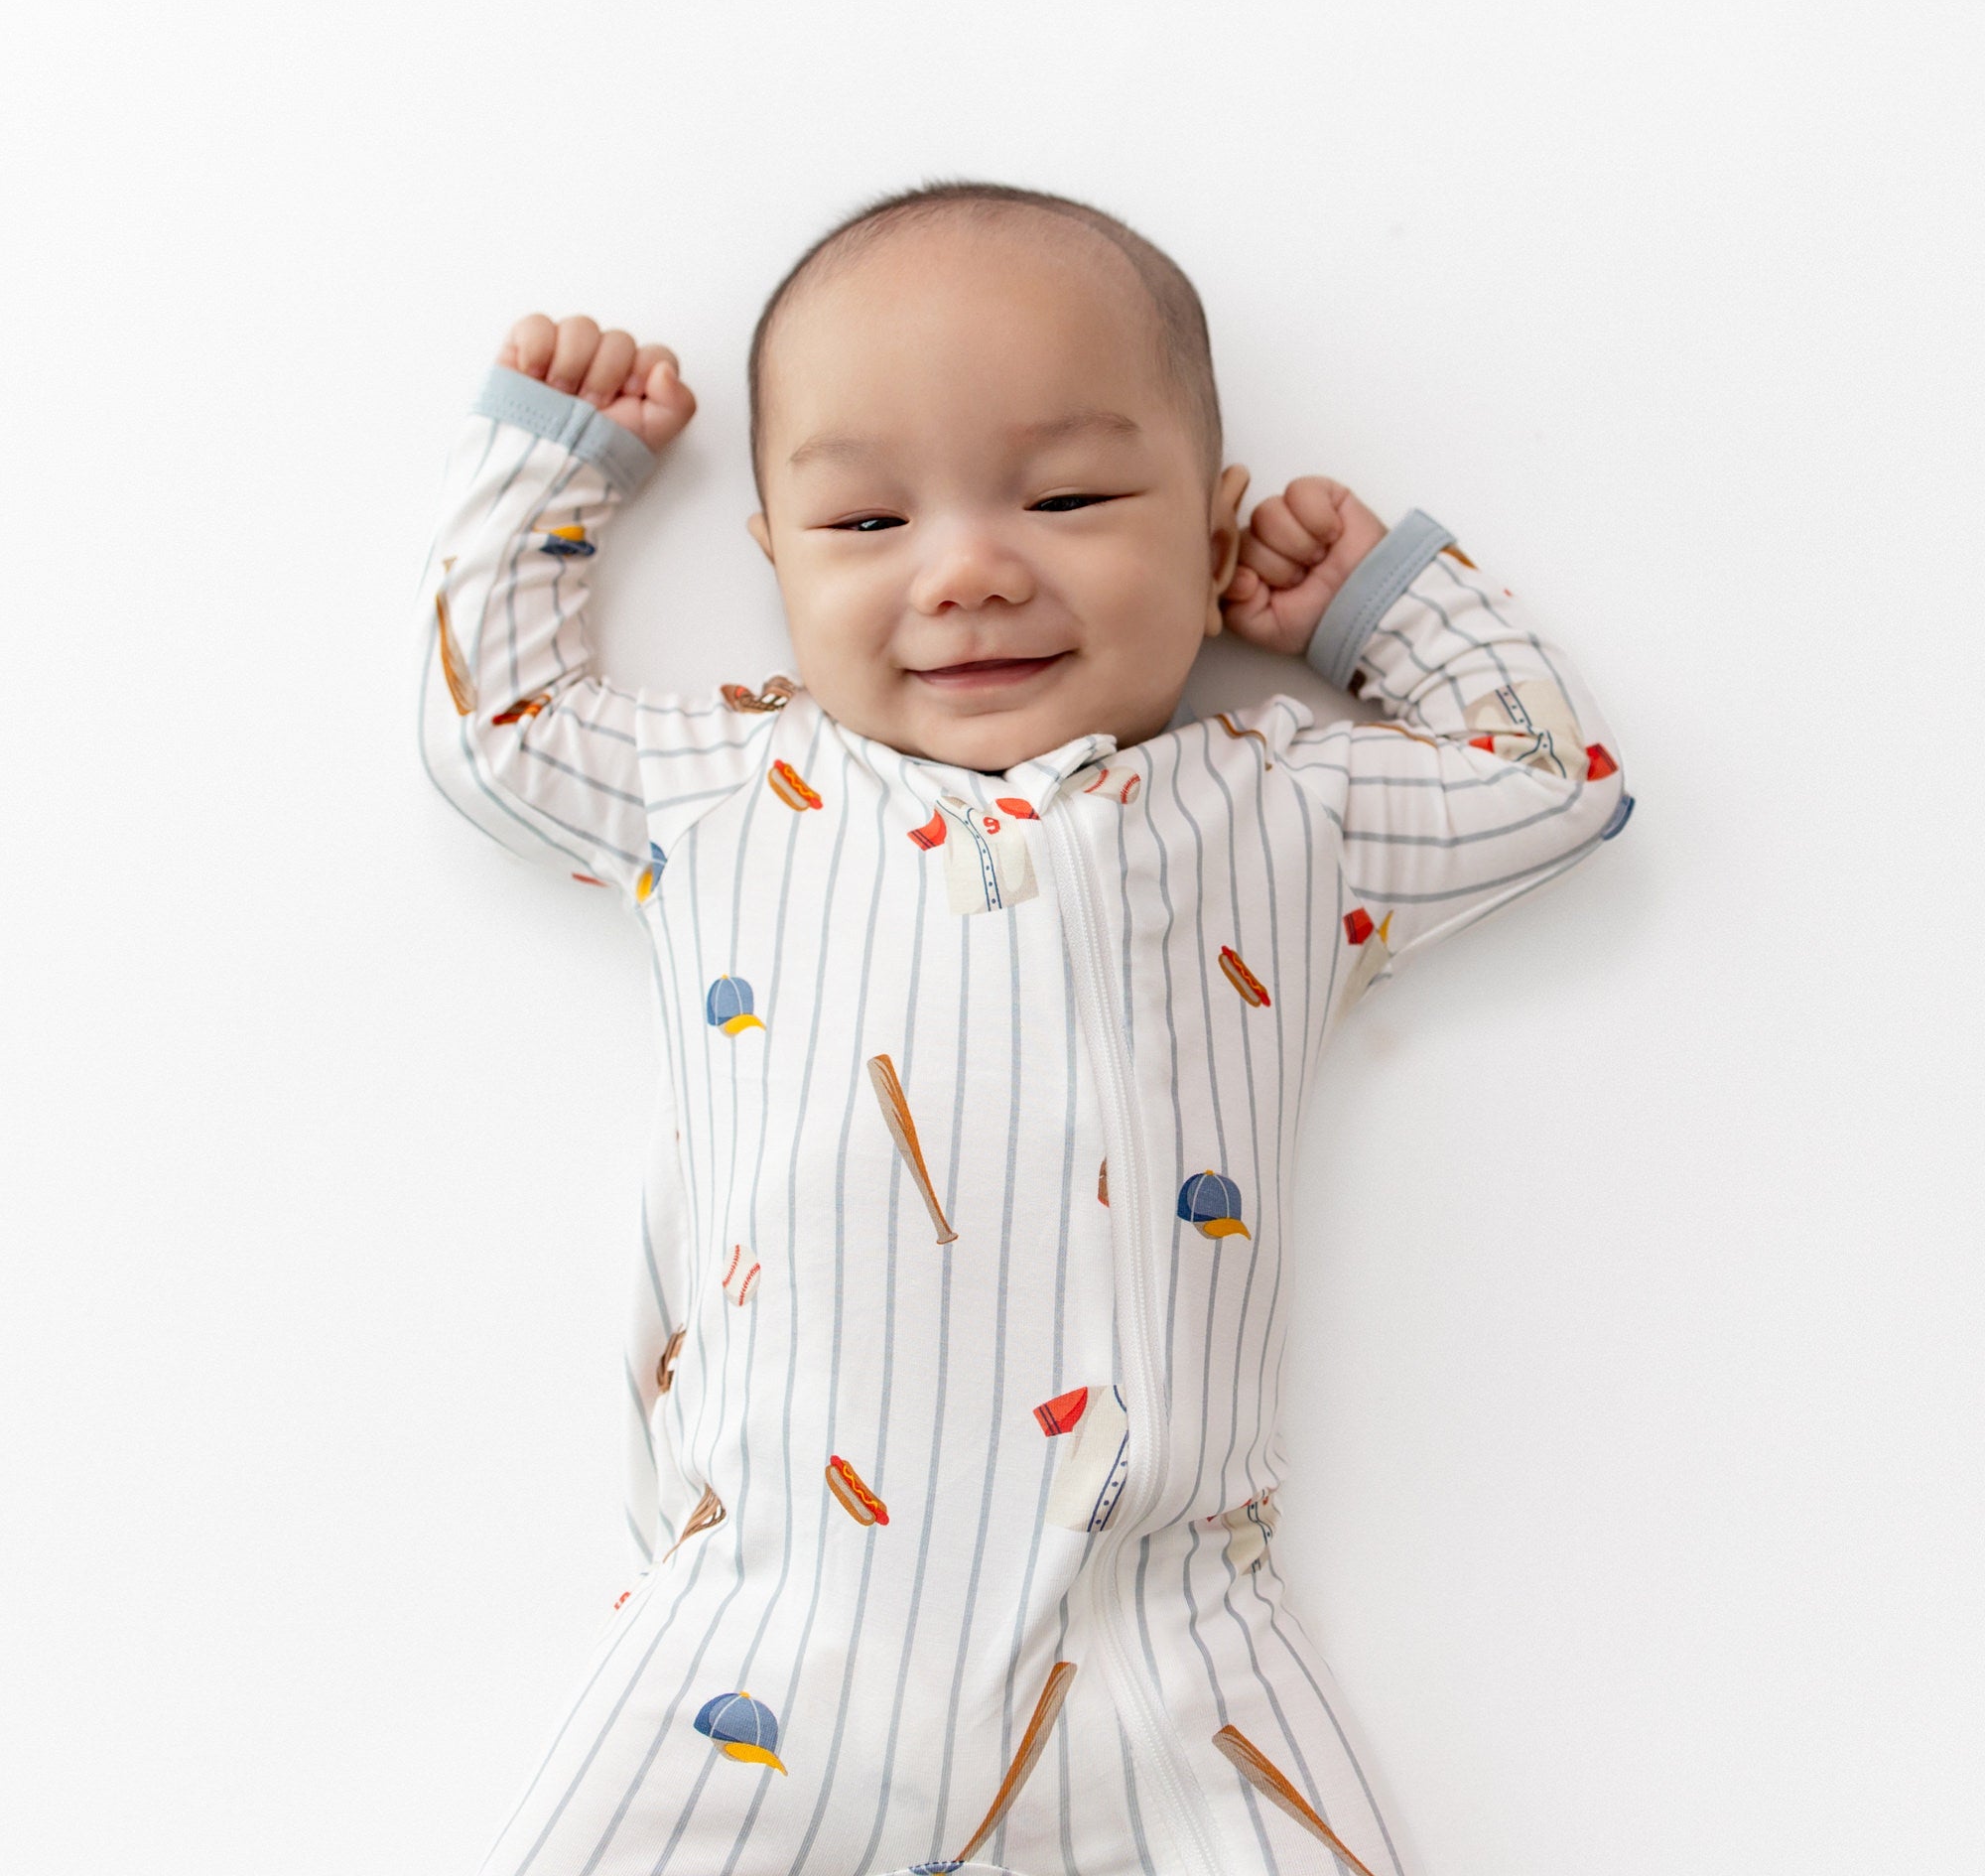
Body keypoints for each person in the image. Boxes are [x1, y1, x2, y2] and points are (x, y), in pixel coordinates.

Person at [416, 181, 1631, 1876]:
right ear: (769, 558)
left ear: (1207, 543)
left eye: (1067, 496)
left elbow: (1549, 786)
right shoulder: (727, 791)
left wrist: (1376, 609)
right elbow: (502, 734)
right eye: (862, 527)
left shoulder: (1282, 809)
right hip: (764, 1625)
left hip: (1161, 1636)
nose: (974, 570)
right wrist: (553, 477)